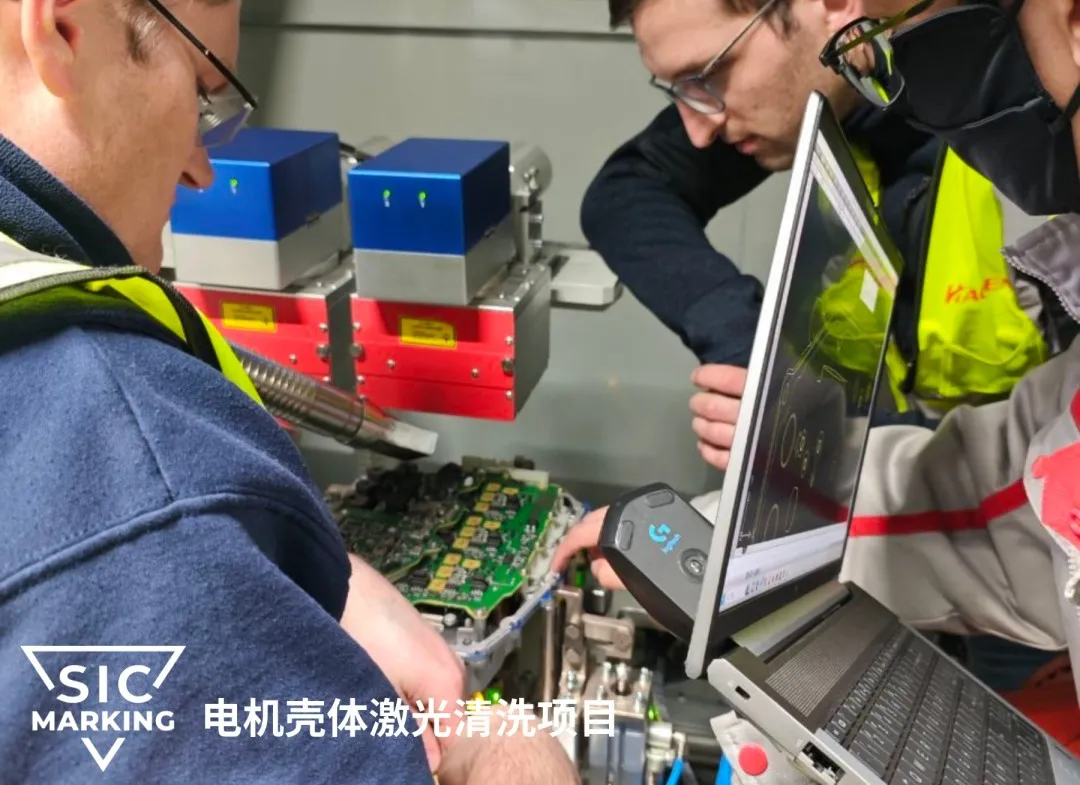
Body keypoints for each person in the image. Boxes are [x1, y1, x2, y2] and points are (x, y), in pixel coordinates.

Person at [0, 1, 578, 782]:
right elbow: (145, 535)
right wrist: (524, 758)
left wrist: (321, 570)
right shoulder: (136, 479)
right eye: (204, 94)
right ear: (65, 29)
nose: (202, 169)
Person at [557, 0, 1080, 749]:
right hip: (961, 510)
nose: (698, 125)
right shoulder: (860, 84)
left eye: (709, 75)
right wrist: (763, 395)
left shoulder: (1007, 126)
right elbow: (1013, 505)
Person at [582, 0, 1076, 474]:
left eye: (709, 74)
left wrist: (840, 442)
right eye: (680, 90)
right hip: (907, 481)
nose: (699, 131)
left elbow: (1052, 461)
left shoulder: (1042, 127)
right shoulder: (832, 93)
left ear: (835, 4)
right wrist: (758, 356)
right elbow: (625, 193)